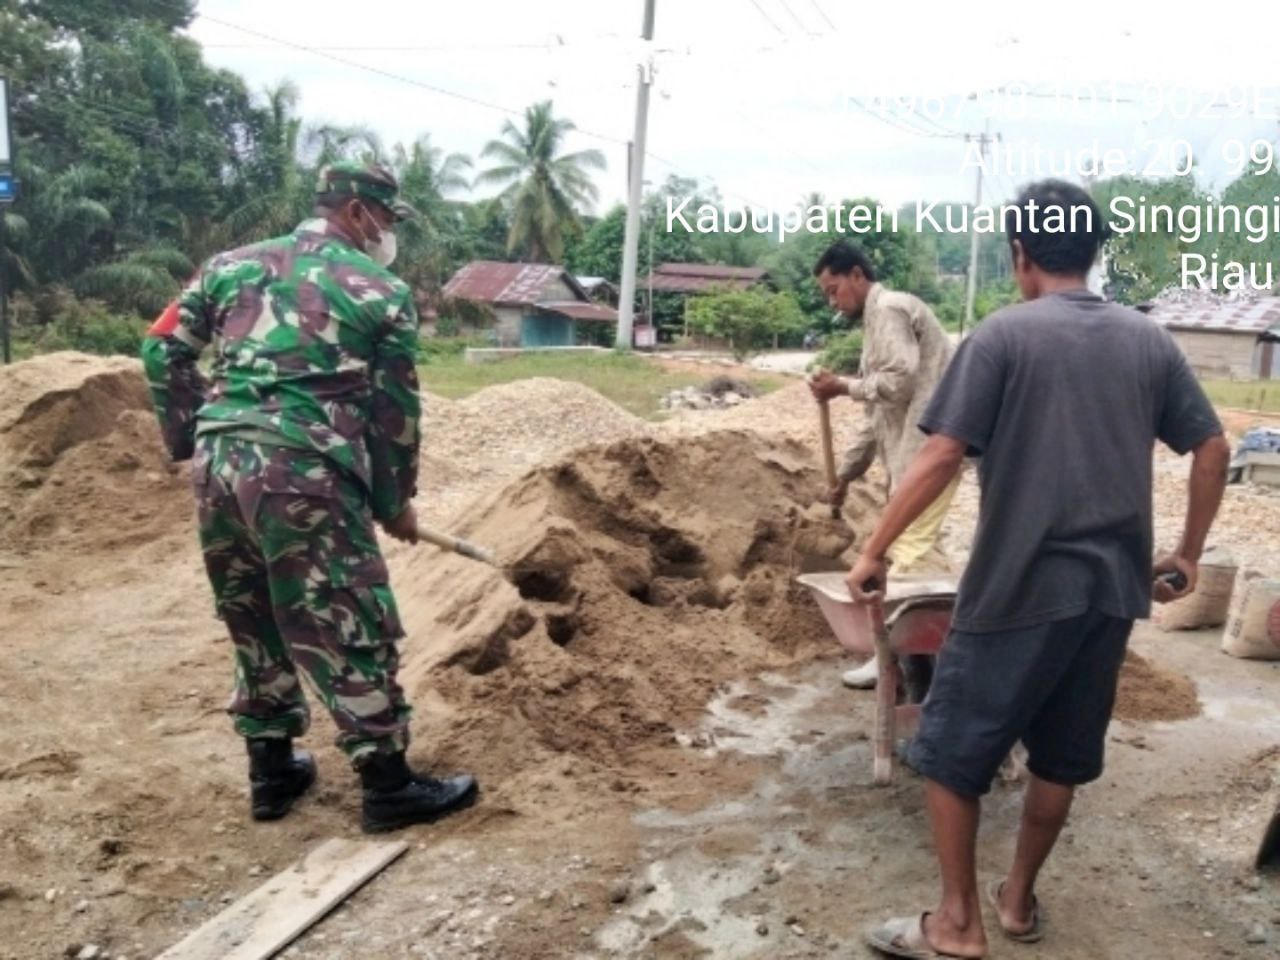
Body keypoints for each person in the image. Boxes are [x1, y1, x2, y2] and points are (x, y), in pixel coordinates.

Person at [852, 179, 1230, 959]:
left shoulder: (1002, 337)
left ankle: (957, 925)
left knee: (950, 752)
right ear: (1093, 253)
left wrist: (872, 547)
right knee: (1061, 751)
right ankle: (1018, 901)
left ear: (1020, 254)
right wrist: (1187, 552)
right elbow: (1214, 449)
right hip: (1110, 593)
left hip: (1018, 586)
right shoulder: (1148, 341)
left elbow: (943, 453)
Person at [141, 161, 478, 834]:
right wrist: (394, 501)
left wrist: (196, 434)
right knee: (346, 616)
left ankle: (272, 773)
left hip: (218, 469)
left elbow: (160, 350)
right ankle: (388, 785)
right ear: (358, 212)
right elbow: (394, 414)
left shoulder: (228, 266)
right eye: (385, 219)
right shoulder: (378, 290)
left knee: (254, 610)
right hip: (305, 475)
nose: (387, 234)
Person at [808, 241, 957, 691]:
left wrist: (842, 387)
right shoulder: (874, 329)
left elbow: (899, 379)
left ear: (857, 275)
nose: (833, 302)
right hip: (911, 456)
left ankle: (908, 659)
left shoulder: (890, 308)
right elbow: (876, 422)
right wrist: (845, 479)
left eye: (835, 290)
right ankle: (915, 652)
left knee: (914, 555)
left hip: (932, 452)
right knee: (914, 553)